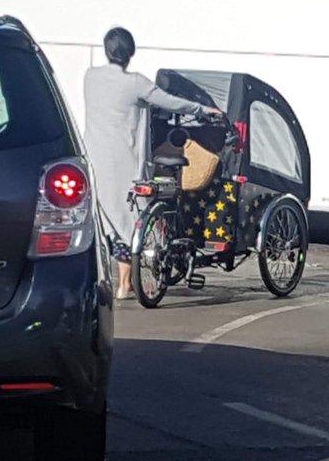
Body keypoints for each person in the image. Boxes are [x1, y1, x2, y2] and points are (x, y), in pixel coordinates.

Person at [83, 27, 224, 301]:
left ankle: (122, 282)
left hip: (94, 159)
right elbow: (170, 102)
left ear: (106, 49)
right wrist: (203, 110)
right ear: (131, 53)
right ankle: (126, 284)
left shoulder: (90, 77)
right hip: (124, 160)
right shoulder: (136, 83)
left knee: (108, 221)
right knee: (131, 216)